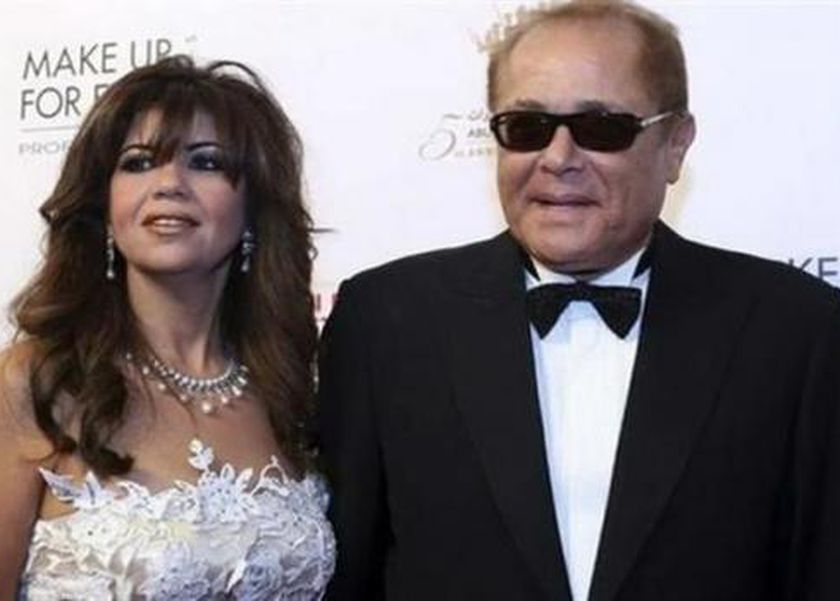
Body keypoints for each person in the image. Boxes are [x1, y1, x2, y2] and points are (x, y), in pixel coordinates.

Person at [318, 1, 840, 600]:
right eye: (527, 127)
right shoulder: (386, 322)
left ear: (675, 145)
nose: (558, 159)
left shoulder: (794, 331)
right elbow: (348, 575)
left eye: (601, 129)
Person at [0, 56, 335, 598]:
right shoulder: (37, 383)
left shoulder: (289, 388)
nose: (169, 184)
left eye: (206, 162)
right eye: (137, 162)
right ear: (104, 205)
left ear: (252, 208)